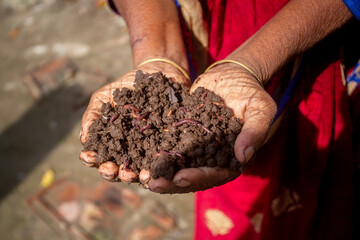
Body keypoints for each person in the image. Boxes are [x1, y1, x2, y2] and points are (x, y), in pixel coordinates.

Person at [80, 0, 360, 239]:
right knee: (232, 187)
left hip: (312, 43)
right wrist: (156, 54)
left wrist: (252, 64)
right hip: (201, 30)